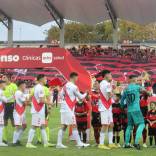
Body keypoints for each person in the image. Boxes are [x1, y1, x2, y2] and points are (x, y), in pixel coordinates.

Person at [56, 72, 90, 148]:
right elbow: (81, 97)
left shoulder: (65, 86)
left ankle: (59, 143)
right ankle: (79, 143)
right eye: (77, 78)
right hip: (69, 108)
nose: (77, 79)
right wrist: (86, 93)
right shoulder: (74, 87)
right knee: (74, 125)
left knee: (64, 126)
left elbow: (61, 95)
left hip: (63, 107)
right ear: (74, 77)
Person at [26, 74, 53, 148]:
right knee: (34, 126)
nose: (46, 80)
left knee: (42, 126)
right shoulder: (40, 88)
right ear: (41, 79)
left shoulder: (37, 87)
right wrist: (50, 103)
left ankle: (46, 143)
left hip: (39, 110)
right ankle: (28, 143)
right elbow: (41, 100)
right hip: (37, 110)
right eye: (45, 78)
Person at [121, 75, 145, 150]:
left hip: (129, 110)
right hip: (136, 109)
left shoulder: (126, 89)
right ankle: (136, 142)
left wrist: (123, 107)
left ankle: (127, 143)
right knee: (142, 124)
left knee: (130, 126)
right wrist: (149, 92)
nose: (137, 80)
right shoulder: (137, 87)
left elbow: (122, 100)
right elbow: (144, 90)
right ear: (134, 79)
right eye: (136, 79)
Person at [98, 70, 117, 150]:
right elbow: (109, 95)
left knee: (111, 124)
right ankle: (101, 144)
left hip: (107, 106)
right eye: (110, 74)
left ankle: (110, 143)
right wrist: (114, 91)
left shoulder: (102, 83)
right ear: (106, 75)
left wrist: (112, 87)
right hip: (105, 106)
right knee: (105, 125)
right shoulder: (107, 84)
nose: (111, 75)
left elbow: (107, 94)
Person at [2, 74, 18, 144]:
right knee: (4, 122)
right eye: (2, 78)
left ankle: (16, 139)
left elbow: (16, 95)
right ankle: (4, 138)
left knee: (13, 122)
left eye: (4, 78)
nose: (3, 79)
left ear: (8, 78)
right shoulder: (2, 86)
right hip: (4, 105)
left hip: (12, 105)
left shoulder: (14, 86)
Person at [13, 81, 28, 146]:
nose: (25, 87)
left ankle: (17, 140)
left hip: (22, 111)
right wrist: (28, 100)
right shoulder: (19, 93)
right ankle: (14, 142)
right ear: (21, 85)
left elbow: (25, 102)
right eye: (24, 85)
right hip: (18, 111)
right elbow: (25, 103)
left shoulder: (20, 92)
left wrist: (27, 101)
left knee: (24, 126)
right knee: (17, 126)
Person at [0, 80, 10, 146]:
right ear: (1, 84)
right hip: (0, 110)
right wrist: (12, 96)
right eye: (4, 84)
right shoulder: (1, 92)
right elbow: (5, 100)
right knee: (1, 126)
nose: (5, 85)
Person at [91, 81, 101, 145]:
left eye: (96, 84)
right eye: (94, 84)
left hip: (101, 112)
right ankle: (97, 141)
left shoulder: (102, 92)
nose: (95, 84)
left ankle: (100, 141)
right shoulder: (91, 93)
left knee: (101, 128)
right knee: (95, 128)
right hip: (94, 112)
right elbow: (87, 99)